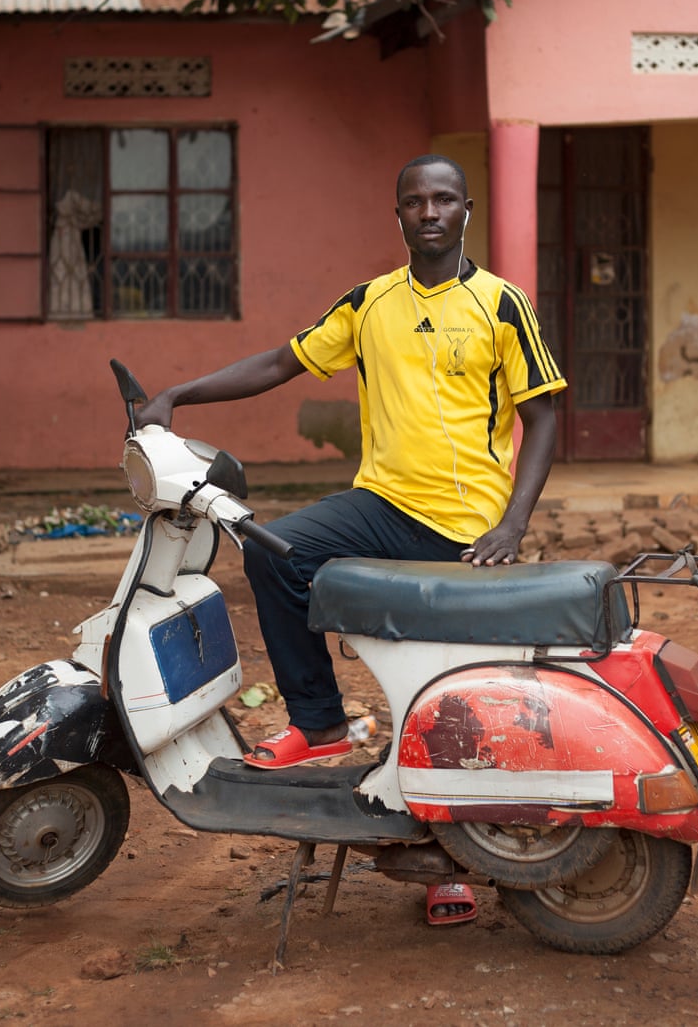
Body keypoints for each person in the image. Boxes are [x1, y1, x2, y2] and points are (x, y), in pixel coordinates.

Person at [135, 154, 566, 926]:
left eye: (443, 199)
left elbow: (545, 415)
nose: (428, 212)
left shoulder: (503, 304)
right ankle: (321, 720)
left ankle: (449, 869)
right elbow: (279, 361)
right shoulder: (369, 304)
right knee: (275, 549)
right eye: (413, 201)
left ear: (467, 209)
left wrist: (513, 524)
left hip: (466, 527)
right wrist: (178, 394)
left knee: (439, 693)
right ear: (396, 214)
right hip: (382, 502)